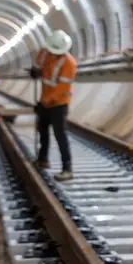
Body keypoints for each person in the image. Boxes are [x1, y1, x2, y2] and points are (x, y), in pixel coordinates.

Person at [29, 30, 76, 182]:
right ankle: (43, 159)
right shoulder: (44, 53)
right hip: (45, 99)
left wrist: (45, 102)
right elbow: (38, 66)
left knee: (60, 135)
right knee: (42, 131)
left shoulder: (69, 63)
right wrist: (35, 71)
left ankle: (67, 169)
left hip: (59, 104)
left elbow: (62, 88)